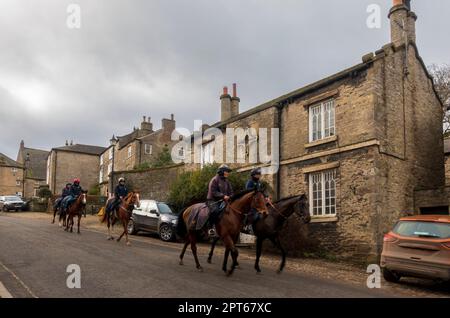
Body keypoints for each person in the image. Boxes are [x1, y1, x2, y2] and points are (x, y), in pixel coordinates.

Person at [206, 164, 233, 237]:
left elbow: (231, 192)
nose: (228, 173)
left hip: (223, 200)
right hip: (212, 200)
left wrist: (230, 196)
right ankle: (210, 227)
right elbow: (214, 192)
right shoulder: (214, 179)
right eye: (226, 171)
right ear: (221, 171)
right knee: (215, 210)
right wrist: (223, 196)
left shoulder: (227, 181)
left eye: (228, 171)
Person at [244, 168, 270, 233]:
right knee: (252, 212)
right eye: (257, 174)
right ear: (253, 175)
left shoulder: (259, 182)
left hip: (258, 201)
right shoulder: (249, 182)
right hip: (251, 200)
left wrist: (266, 197)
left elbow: (261, 191)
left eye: (259, 174)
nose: (259, 175)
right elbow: (248, 192)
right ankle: (247, 226)